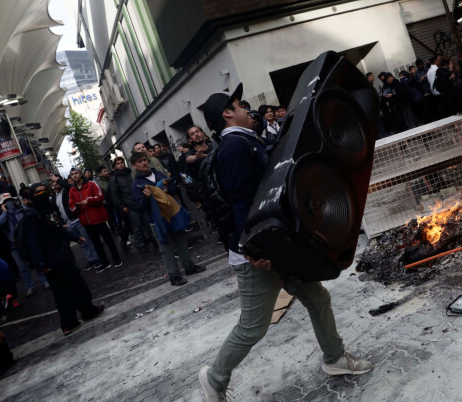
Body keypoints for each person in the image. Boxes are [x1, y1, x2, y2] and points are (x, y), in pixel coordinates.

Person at [196, 85, 373, 401]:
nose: (247, 109)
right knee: (253, 327)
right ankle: (214, 379)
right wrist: (254, 251)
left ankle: (334, 358)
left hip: (275, 247)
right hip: (259, 255)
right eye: (239, 105)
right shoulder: (234, 147)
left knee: (317, 298)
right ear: (227, 113)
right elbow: (241, 204)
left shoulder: (242, 141)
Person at [23, 183, 105, 336]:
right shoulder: (31, 215)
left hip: (61, 256)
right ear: (32, 196)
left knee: (76, 285)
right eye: (38, 192)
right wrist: (41, 263)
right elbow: (33, 241)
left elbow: (58, 229)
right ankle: (69, 323)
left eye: (44, 191)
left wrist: (75, 238)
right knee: (62, 293)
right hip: (51, 261)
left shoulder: (46, 211)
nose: (42, 194)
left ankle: (87, 311)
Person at [130, 152, 205, 286]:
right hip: (157, 220)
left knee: (181, 241)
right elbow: (140, 206)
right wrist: (146, 197)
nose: (144, 163)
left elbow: (173, 188)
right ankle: (174, 276)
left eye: (144, 160)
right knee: (166, 247)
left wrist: (169, 187)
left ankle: (189, 267)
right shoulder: (136, 184)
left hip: (172, 214)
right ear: (135, 166)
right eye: (140, 162)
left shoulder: (158, 174)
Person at [0, 193, 50, 296]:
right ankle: (30, 286)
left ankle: (44, 281)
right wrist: (5, 212)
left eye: (9, 200)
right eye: (5, 201)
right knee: (22, 268)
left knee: (36, 261)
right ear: (2, 204)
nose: (8, 203)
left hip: (27, 241)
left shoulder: (22, 209)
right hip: (14, 245)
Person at [67, 168, 121, 272]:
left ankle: (116, 259)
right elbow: (71, 206)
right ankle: (105, 262)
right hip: (87, 222)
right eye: (72, 174)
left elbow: (100, 196)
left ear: (81, 174)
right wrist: (77, 206)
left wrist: (89, 200)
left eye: (76, 173)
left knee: (109, 240)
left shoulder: (91, 184)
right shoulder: (72, 190)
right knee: (96, 244)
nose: (74, 176)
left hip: (99, 218)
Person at [49, 177, 101, 270]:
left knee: (87, 240)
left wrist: (59, 180)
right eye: (53, 182)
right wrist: (61, 223)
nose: (55, 183)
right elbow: (57, 213)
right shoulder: (54, 198)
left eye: (57, 181)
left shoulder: (68, 191)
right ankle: (91, 259)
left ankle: (97, 258)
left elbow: (68, 186)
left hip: (77, 220)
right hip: (68, 224)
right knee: (80, 243)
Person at [107, 157, 148, 253]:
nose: (120, 165)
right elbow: (114, 195)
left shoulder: (130, 172)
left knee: (147, 222)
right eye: (118, 163)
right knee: (136, 226)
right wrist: (122, 207)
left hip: (139, 201)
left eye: (122, 163)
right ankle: (140, 244)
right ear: (115, 166)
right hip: (129, 205)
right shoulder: (114, 179)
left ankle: (153, 239)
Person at [95, 166, 118, 234]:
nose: (107, 172)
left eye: (107, 170)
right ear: (100, 174)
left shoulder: (112, 179)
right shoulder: (98, 184)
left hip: (117, 203)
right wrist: (106, 203)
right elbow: (101, 196)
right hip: (108, 205)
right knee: (112, 220)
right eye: (104, 171)